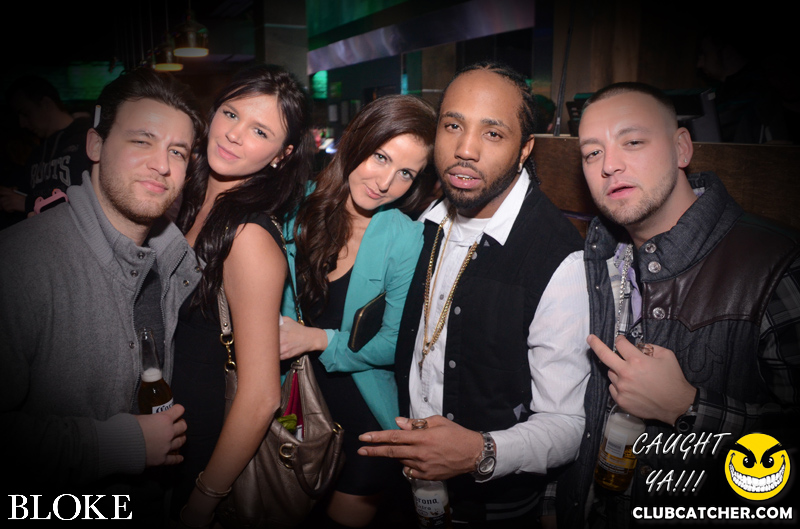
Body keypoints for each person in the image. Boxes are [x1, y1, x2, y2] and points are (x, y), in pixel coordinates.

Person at [556, 82, 800, 528]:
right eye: (592, 153)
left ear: (682, 148)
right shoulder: (596, 261)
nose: (609, 165)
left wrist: (686, 408)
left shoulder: (777, 266)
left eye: (632, 142)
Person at [357, 62, 591, 526]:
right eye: (453, 126)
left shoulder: (556, 257)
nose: (465, 150)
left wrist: (480, 452)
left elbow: (567, 426)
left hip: (491, 508)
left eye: (493, 133)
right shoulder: (422, 219)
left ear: (525, 149)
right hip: (405, 488)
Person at [0, 68, 204, 511]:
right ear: (95, 145)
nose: (162, 165)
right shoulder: (19, 263)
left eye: (178, 151)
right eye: (142, 141)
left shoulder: (177, 261)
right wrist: (116, 443)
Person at [278, 94, 437, 528]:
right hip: (293, 409)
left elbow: (394, 343)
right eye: (380, 157)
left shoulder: (405, 238)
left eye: (405, 173)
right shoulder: (295, 207)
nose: (385, 182)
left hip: (365, 423)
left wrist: (316, 338)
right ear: (356, 141)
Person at [170, 64, 313, 527]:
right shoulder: (184, 200)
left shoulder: (249, 238)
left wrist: (202, 502)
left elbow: (260, 396)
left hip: (202, 450)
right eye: (231, 114)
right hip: (161, 433)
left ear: (281, 155)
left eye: (259, 131)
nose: (234, 134)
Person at [1, 74, 93, 216]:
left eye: (25, 113)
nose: (22, 123)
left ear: (46, 104)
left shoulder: (87, 139)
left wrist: (26, 204)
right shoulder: (36, 154)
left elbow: (93, 202)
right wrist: (17, 194)